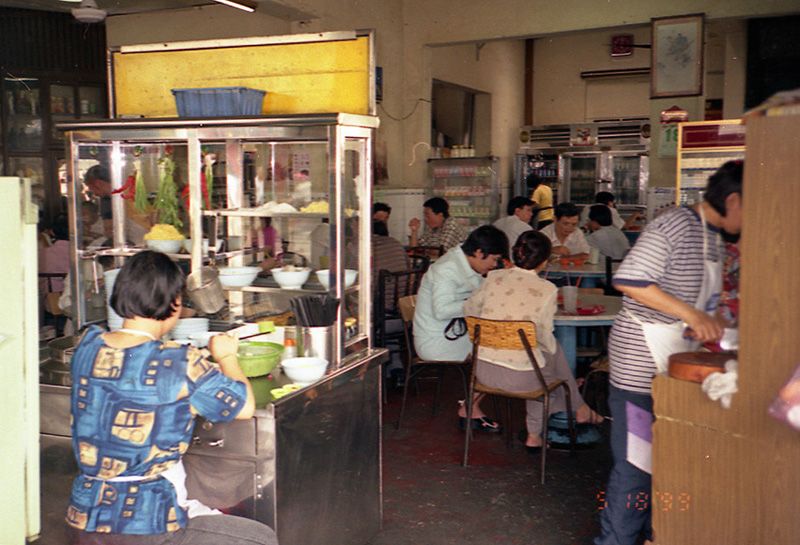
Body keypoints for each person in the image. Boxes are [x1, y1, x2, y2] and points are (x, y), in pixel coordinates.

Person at [65, 251, 278, 545]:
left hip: (84, 517)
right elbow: (243, 405)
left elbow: (129, 377)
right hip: (146, 523)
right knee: (260, 539)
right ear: (174, 302)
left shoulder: (87, 345)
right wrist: (227, 357)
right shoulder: (179, 362)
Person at [594, 160, 743, 545]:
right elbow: (629, 279)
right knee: (637, 465)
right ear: (734, 200)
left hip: (674, 360)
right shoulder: (676, 224)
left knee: (665, 462)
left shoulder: (714, 236)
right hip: (639, 362)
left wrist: (704, 322)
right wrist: (691, 313)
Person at [464, 230, 603, 450]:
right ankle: (537, 433)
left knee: (542, 360)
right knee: (548, 356)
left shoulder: (493, 277)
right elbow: (544, 336)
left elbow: (469, 309)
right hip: (523, 380)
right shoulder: (546, 289)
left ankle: (577, 407)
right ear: (545, 261)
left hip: (482, 372)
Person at [413, 225, 507, 432]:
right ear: (479, 252)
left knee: (504, 348)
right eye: (493, 259)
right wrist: (481, 304)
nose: (494, 264)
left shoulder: (465, 263)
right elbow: (442, 310)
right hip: (437, 341)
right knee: (503, 353)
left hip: (455, 333)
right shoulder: (446, 269)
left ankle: (470, 405)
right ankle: (470, 408)